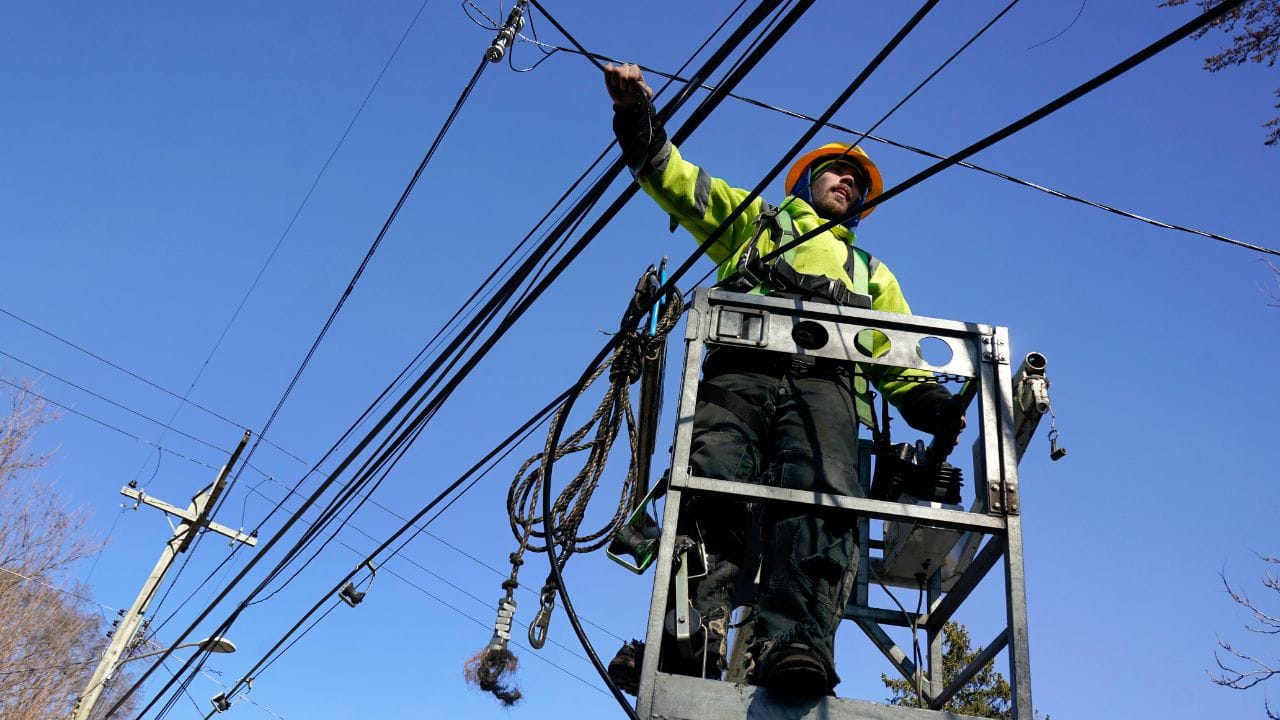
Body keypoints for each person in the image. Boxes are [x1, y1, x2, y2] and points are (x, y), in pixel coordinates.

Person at [603, 63, 963, 698]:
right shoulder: (756, 223)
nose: (848, 182)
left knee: (822, 500)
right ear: (805, 181)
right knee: (711, 484)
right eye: (837, 172)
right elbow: (678, 182)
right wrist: (636, 118)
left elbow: (894, 350)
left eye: (857, 182)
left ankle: (793, 642)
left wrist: (927, 399)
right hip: (740, 376)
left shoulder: (870, 272)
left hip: (827, 387)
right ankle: (691, 633)